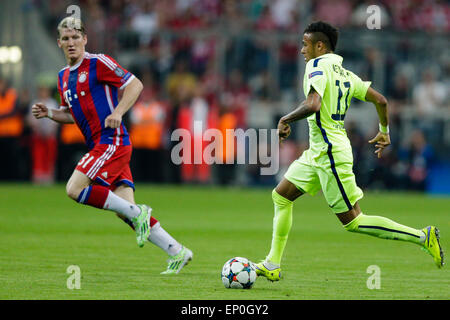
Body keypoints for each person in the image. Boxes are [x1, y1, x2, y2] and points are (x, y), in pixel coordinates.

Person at [255, 21, 444, 281]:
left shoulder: (316, 66)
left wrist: (285, 119)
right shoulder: (345, 74)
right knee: (281, 196)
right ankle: (273, 263)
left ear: (320, 46)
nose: (301, 50)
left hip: (330, 153)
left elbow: (313, 104)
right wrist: (385, 130)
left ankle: (423, 236)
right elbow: (381, 100)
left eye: (305, 44)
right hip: (319, 151)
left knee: (354, 221)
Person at [31, 17, 192, 275]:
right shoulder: (63, 78)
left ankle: (138, 212)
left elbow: (135, 84)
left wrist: (118, 111)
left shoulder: (98, 62)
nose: (71, 43)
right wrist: (50, 113)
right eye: (66, 38)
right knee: (125, 212)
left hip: (111, 141)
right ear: (59, 42)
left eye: (76, 38)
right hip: (101, 144)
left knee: (74, 188)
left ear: (85, 39)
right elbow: (73, 114)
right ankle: (177, 251)